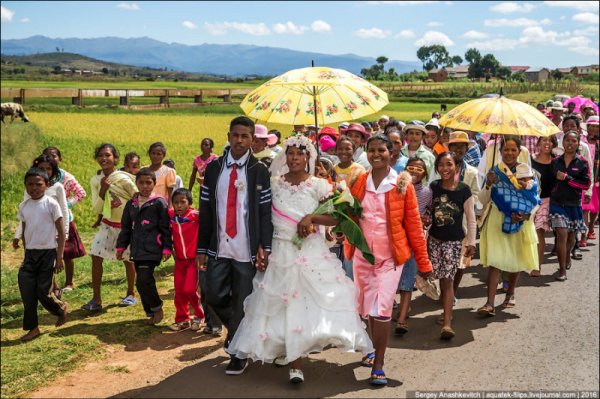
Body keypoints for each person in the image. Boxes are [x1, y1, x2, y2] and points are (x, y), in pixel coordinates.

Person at [226, 135, 373, 384]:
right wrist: (262, 247)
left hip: (310, 252)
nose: (295, 158)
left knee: (308, 303)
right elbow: (261, 216)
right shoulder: (274, 184)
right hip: (280, 250)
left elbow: (336, 218)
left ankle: (298, 362)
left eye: (300, 154)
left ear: (308, 157)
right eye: (291, 153)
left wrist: (312, 219)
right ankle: (289, 354)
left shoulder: (319, 185)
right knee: (281, 305)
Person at [345, 134, 432, 386]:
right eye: (371, 150)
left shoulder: (402, 184)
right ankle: (372, 348)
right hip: (363, 257)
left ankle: (378, 363)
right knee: (369, 309)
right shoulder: (358, 181)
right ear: (366, 152)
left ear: (391, 152)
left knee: (382, 309)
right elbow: (350, 216)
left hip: (391, 259)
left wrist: (424, 265)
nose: (376, 154)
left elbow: (414, 227)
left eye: (381, 150)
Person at [196, 116, 273, 376]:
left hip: (246, 249)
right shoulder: (215, 168)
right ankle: (239, 333)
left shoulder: (259, 170)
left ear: (253, 139)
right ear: (228, 136)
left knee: (242, 300)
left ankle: (238, 352)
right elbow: (205, 210)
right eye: (235, 135)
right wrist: (201, 248)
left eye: (245, 136)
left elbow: (264, 212)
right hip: (218, 245)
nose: (239, 140)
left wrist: (265, 246)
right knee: (212, 294)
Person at [477, 136, 539, 316]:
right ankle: (489, 303)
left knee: (516, 259)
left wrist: (526, 215)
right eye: (506, 150)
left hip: (520, 221)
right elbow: (483, 199)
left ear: (519, 152)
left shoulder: (527, 172)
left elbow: (534, 199)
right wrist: (488, 183)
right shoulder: (494, 171)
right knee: (495, 261)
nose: (509, 153)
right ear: (500, 152)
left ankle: (510, 293)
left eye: (513, 150)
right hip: (497, 218)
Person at [15, 167, 69, 342]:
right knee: (26, 290)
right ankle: (33, 328)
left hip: (48, 254)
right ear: (25, 186)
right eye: (30, 184)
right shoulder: (24, 206)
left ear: (46, 185)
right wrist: (25, 252)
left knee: (42, 291)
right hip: (30, 255)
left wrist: (59, 257)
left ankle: (60, 310)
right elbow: (24, 231)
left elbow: (61, 233)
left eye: (38, 184)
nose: (34, 188)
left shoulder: (51, 204)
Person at [84, 143, 138, 311]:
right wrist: (103, 190)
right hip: (107, 224)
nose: (104, 158)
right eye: (100, 155)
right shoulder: (95, 180)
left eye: (108, 155)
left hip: (126, 227)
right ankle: (96, 299)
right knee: (95, 256)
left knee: (129, 260)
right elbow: (97, 208)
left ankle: (131, 294)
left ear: (115, 158)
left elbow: (137, 197)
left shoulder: (124, 178)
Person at [428, 152, 476, 339]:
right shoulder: (433, 187)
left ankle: (447, 323)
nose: (445, 168)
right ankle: (446, 312)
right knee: (440, 278)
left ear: (457, 167)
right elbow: (428, 212)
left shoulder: (464, 190)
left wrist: (471, 242)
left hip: (454, 242)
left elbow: (471, 219)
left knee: (447, 280)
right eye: (441, 165)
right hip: (433, 240)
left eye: (449, 164)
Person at [116, 168, 173, 325]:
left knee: (143, 278)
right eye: (141, 183)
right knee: (140, 283)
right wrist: (121, 247)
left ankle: (157, 308)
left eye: (149, 182)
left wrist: (167, 248)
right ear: (136, 184)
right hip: (137, 249)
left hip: (153, 248)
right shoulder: (131, 204)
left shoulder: (159, 202)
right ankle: (150, 312)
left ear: (154, 184)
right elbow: (126, 228)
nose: (145, 186)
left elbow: (165, 227)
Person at [14, 155, 70, 299]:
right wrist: (17, 235)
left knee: (50, 266)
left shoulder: (57, 187)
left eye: (48, 168)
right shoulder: (31, 189)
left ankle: (53, 295)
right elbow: (26, 216)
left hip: (53, 232)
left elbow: (63, 210)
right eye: (41, 168)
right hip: (35, 237)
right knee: (42, 271)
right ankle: (50, 292)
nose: (46, 171)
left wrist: (65, 233)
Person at [394, 157, 432, 336]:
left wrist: (426, 219)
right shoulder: (396, 188)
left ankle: (401, 319)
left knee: (407, 282)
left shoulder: (427, 192)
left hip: (414, 241)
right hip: (396, 240)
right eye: (411, 168)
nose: (415, 171)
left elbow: (429, 213)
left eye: (420, 169)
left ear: (425, 173)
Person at [42, 147, 87, 292]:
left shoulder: (66, 177)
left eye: (54, 156)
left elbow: (81, 193)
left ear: (59, 159)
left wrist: (66, 205)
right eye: (47, 156)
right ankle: (53, 286)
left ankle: (69, 283)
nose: (51, 158)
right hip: (46, 221)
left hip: (64, 218)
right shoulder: (40, 176)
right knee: (49, 253)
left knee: (67, 253)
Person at [549, 130, 591, 281]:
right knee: (561, 234)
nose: (570, 143)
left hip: (574, 204)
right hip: (557, 204)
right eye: (568, 140)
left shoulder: (583, 162)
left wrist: (567, 178)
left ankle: (567, 256)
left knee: (571, 237)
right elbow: (549, 182)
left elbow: (586, 184)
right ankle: (561, 270)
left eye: (574, 141)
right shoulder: (555, 162)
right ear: (563, 142)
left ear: (578, 143)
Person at [447, 132, 481, 300]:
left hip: (463, 221)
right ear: (449, 147)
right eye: (455, 146)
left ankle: (452, 291)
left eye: (462, 146)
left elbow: (476, 194)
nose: (458, 149)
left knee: (461, 260)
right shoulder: (441, 167)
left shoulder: (472, 172)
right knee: (445, 258)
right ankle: (446, 289)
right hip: (443, 220)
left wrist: (462, 200)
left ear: (467, 149)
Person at [168, 188, 205, 331]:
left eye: (182, 202)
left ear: (189, 203)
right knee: (179, 290)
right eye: (175, 202)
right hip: (179, 260)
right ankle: (182, 319)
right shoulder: (171, 216)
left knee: (190, 289)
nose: (179, 205)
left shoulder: (196, 216)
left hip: (193, 260)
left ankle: (200, 315)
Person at [530, 135, 558, 276]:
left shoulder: (556, 162)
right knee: (528, 233)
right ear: (538, 143)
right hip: (530, 201)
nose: (547, 143)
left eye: (550, 141)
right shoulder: (530, 160)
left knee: (539, 232)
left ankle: (537, 266)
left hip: (546, 201)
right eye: (544, 140)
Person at [582, 116, 599, 245]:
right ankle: (583, 234)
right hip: (586, 178)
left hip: (598, 178)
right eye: (591, 126)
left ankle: (591, 228)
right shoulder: (582, 141)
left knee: (595, 208)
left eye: (597, 126)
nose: (594, 128)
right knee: (585, 207)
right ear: (587, 128)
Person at [146, 142, 176, 206]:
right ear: (149, 154)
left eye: (159, 154)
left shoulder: (168, 171)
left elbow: (170, 193)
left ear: (163, 156)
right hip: (145, 204)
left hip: (161, 205)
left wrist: (170, 207)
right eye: (153, 153)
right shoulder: (144, 170)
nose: (155, 156)